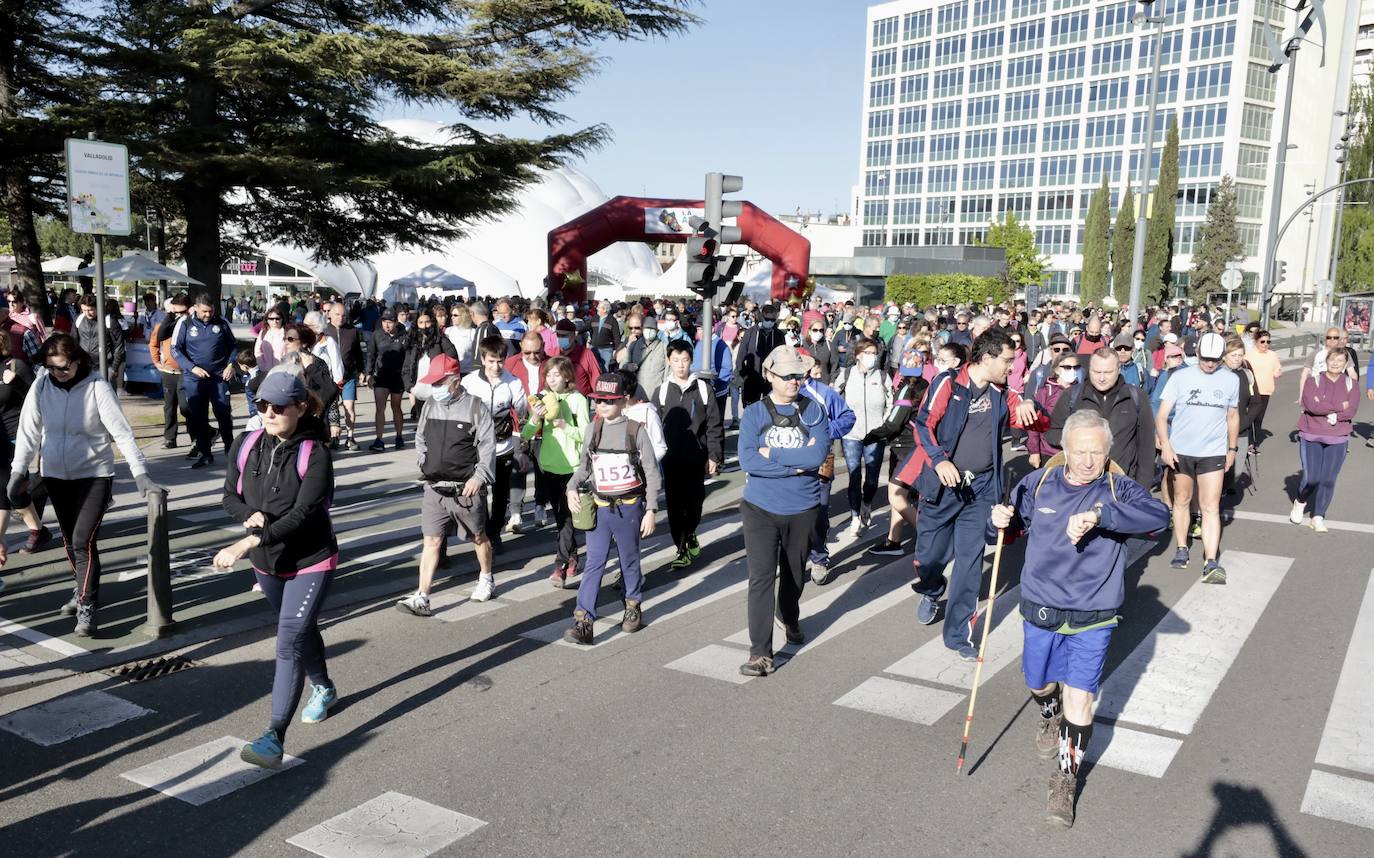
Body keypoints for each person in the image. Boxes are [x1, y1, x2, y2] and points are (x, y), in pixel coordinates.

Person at [989, 411, 1170, 827]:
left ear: (1108, 452)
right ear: (1064, 450)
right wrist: (996, 521)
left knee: (1081, 697)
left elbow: (1158, 518)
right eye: (1080, 452)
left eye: (1097, 452)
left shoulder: (1118, 488)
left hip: (1094, 612)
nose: (1088, 461)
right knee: (1037, 681)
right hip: (1042, 605)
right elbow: (1007, 528)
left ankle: (1065, 779)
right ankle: (1048, 712)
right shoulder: (1038, 483)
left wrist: (1103, 516)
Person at [898, 328, 1047, 659]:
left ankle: (957, 636)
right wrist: (938, 462)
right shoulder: (948, 384)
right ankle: (932, 586)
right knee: (931, 556)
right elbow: (923, 425)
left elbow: (1038, 423)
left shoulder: (1002, 392)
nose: (1012, 367)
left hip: (980, 489)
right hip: (943, 486)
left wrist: (1028, 403)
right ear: (987, 358)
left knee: (969, 561)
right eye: (1008, 360)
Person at [216, 372, 339, 769]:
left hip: (310, 558)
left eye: (278, 407)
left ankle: (273, 736)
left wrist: (250, 539)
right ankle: (323, 686)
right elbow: (228, 496)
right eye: (262, 405)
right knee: (300, 631)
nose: (268, 413)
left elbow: (305, 513)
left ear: (300, 408)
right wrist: (248, 515)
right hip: (269, 563)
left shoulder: (314, 453)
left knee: (288, 639)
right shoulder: (246, 443)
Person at [9, 335, 155, 636]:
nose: (56, 373)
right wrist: (18, 470)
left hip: (94, 475)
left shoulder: (97, 386)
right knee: (71, 540)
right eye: (50, 367)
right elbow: (28, 432)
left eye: (62, 367)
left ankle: (88, 604)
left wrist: (140, 473)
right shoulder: (41, 385)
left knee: (82, 541)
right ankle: (82, 589)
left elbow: (122, 433)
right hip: (55, 475)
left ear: (76, 361)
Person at [736, 346, 830, 675]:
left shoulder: (814, 410)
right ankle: (760, 652)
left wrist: (771, 454)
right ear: (769, 375)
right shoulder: (754, 413)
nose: (794, 381)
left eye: (799, 375)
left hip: (803, 508)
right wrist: (794, 466)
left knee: (793, 578)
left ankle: (788, 616)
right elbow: (748, 460)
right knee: (760, 579)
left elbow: (816, 457)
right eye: (787, 375)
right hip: (760, 508)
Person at [395, 354, 497, 616]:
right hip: (434, 487)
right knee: (431, 541)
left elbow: (487, 447)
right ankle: (422, 596)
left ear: (455, 381)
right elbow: (420, 437)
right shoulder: (429, 405)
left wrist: (479, 477)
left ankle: (485, 577)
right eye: (433, 383)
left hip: (466, 489)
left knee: (477, 537)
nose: (435, 388)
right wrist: (424, 462)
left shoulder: (476, 407)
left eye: (440, 383)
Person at [563, 372, 660, 645]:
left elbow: (652, 473)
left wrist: (651, 509)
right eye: (597, 401)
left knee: (629, 559)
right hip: (600, 507)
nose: (601, 406)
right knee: (594, 562)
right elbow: (583, 468)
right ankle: (584, 621)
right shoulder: (592, 429)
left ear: (623, 400)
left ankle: (632, 606)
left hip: (629, 508)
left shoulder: (636, 430)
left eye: (607, 401)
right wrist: (571, 487)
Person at [1155, 332, 1239, 584]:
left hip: (1213, 451)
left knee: (1210, 506)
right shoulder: (1180, 377)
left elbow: (1232, 416)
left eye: (1215, 359)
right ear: (1197, 354)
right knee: (1182, 499)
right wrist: (1166, 447)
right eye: (1205, 358)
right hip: (1182, 451)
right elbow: (1161, 416)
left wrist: (1232, 449)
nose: (1210, 364)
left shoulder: (1231, 380)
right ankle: (1182, 548)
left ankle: (1211, 561)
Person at [653, 340, 724, 569]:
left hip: (696, 457)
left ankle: (691, 531)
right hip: (671, 460)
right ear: (668, 361)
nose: (681, 365)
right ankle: (681, 547)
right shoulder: (662, 391)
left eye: (684, 360)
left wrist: (714, 455)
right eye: (675, 361)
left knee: (694, 503)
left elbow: (714, 425)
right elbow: (652, 425)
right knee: (674, 506)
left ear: (691, 360)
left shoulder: (703, 389)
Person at [522, 356, 588, 587]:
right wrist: (537, 417)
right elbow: (528, 433)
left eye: (556, 374)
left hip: (571, 467)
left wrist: (564, 425)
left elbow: (586, 434)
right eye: (548, 374)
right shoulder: (543, 398)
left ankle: (559, 565)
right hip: (548, 465)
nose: (551, 378)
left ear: (567, 376)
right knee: (560, 516)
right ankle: (572, 555)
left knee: (567, 517)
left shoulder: (578, 400)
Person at [1045, 348, 1156, 487]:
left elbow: (1147, 447)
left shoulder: (1137, 397)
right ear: (1089, 369)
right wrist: (1076, 439)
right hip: (1080, 484)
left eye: (1108, 372)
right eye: (1096, 372)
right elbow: (1051, 433)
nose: (1102, 378)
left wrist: (1142, 489)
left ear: (1118, 368)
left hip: (1122, 483)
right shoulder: (1071, 396)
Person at [463, 337, 528, 552]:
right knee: (479, 494)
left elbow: (522, 413)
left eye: (500, 361)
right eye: (491, 361)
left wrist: (523, 443)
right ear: (482, 359)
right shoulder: (469, 383)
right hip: (476, 450)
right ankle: (483, 533)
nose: (496, 366)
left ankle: (495, 532)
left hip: (504, 446)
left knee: (501, 494)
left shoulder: (513, 382)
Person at [867, 348, 930, 556]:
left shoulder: (906, 390)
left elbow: (894, 424)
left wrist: (871, 436)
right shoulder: (925, 385)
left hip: (906, 448)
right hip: (914, 446)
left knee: (895, 495)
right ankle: (893, 541)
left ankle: (930, 536)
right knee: (902, 495)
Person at [1291, 348, 1359, 533]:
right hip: (1311, 433)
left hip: (1338, 436)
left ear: (1346, 364)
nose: (1335, 363)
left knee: (1328, 479)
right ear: (1326, 361)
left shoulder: (1351, 384)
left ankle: (1318, 516)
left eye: (1340, 360)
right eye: (1332, 359)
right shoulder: (1313, 381)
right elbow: (1311, 406)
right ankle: (1300, 501)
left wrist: (1331, 411)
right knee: (1312, 478)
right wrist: (1338, 407)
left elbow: (1351, 409)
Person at [835, 337, 892, 537]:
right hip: (851, 433)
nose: (871, 357)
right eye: (867, 353)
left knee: (872, 478)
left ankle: (866, 503)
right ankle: (854, 516)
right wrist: (841, 421)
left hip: (875, 434)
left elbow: (890, 403)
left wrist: (884, 424)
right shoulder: (847, 374)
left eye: (874, 353)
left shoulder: (883, 376)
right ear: (858, 355)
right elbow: (835, 400)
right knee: (853, 475)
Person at [172, 294, 238, 468]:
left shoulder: (221, 322)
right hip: (194, 377)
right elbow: (175, 349)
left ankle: (230, 449)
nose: (208, 315)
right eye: (204, 311)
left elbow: (233, 346)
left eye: (211, 311)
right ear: (196, 308)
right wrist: (192, 367)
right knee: (198, 415)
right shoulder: (185, 323)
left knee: (223, 412)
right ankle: (205, 453)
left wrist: (231, 365)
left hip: (219, 376)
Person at [0, 333, 49, 561]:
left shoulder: (16, 365)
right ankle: (38, 529)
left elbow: (38, 396)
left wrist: (17, 382)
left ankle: (36, 530)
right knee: (6, 491)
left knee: (9, 488)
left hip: (15, 436)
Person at [150, 293, 190, 450]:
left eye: (182, 312)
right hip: (169, 371)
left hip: (185, 372)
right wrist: (156, 362)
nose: (179, 315)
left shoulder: (189, 324)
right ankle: (170, 438)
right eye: (175, 311)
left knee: (186, 406)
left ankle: (196, 435)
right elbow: (155, 342)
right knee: (169, 407)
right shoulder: (163, 325)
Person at [364, 309, 408, 451]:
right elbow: (370, 354)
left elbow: (409, 356)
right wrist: (368, 373)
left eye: (390, 322)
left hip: (397, 376)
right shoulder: (377, 335)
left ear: (396, 321)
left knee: (396, 406)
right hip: (381, 375)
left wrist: (408, 376)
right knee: (380, 407)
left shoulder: (404, 334)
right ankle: (379, 439)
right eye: (384, 321)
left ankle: (399, 436)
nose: (387, 325)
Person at [1028, 353, 1079, 469]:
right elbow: (1034, 424)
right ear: (1057, 369)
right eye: (1067, 367)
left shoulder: (1082, 390)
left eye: (1075, 367)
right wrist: (1034, 451)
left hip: (1075, 455)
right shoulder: (1045, 392)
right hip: (1049, 453)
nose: (1072, 370)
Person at [325, 301, 364, 451]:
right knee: (331, 408)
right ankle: (333, 437)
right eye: (337, 315)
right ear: (329, 314)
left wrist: (362, 371)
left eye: (343, 315)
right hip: (330, 377)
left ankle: (350, 437)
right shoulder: (324, 331)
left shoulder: (352, 331)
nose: (341, 318)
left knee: (350, 407)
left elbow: (358, 354)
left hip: (348, 375)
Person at [74, 293, 125, 389]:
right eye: (84, 310)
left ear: (98, 307)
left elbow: (119, 345)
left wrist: (114, 367)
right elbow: (73, 342)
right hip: (84, 365)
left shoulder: (110, 320)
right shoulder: (79, 319)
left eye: (90, 310)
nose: (87, 313)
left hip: (105, 366)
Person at [1243, 329, 1281, 451]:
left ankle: (1254, 444)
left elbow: (1277, 370)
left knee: (1259, 418)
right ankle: (1248, 442)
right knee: (1249, 417)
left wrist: (1278, 372)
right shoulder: (1248, 354)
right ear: (1256, 341)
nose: (1265, 344)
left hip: (1265, 390)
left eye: (1268, 342)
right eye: (1262, 341)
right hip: (1251, 390)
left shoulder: (1272, 355)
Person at [255, 306, 287, 374]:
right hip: (265, 371)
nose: (275, 321)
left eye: (277, 318)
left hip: (283, 372)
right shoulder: (263, 332)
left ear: (282, 319)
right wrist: (262, 366)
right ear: (267, 320)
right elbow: (257, 351)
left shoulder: (287, 333)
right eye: (271, 319)